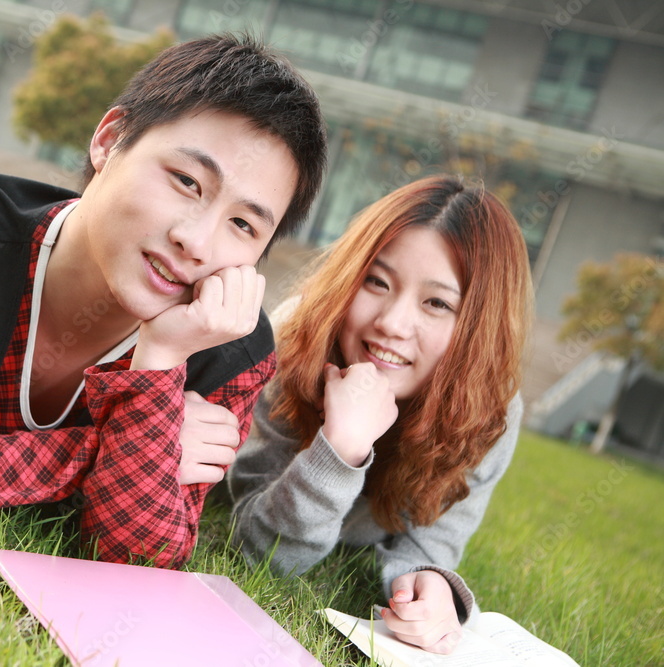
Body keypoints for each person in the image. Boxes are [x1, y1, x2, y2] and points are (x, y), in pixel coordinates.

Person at [0, 34, 328, 569]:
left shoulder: (230, 347)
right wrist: (122, 445)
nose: (198, 241)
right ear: (109, 140)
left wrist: (161, 361)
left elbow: (137, 559)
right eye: (187, 181)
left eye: (242, 223)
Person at [227, 175, 533, 654]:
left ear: (478, 327)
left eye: (436, 303)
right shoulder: (295, 345)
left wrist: (430, 584)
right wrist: (340, 447)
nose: (391, 323)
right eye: (376, 281)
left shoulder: (489, 413)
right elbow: (261, 553)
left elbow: (431, 546)